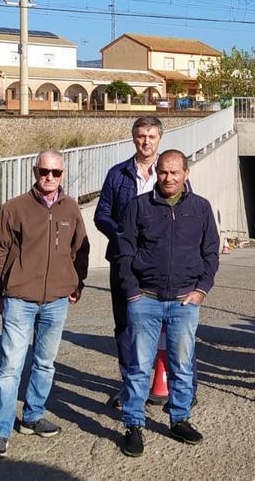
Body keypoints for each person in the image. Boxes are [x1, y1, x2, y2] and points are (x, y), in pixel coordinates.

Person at [0, 150, 89, 461]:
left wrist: (76, 284)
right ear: (34, 170)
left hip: (56, 300)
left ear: (63, 174)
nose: (49, 178)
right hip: (19, 298)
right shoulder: (14, 208)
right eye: (44, 171)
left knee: (45, 363)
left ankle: (33, 415)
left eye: (56, 172)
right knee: (10, 368)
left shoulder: (71, 209)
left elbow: (80, 250)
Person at [115, 149, 219, 457]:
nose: (168, 178)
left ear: (186, 173)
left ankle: (179, 419)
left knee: (182, 365)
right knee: (138, 367)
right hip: (144, 299)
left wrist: (201, 289)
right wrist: (132, 292)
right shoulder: (139, 207)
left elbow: (211, 252)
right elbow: (124, 252)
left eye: (175, 172)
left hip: (184, 301)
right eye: (162, 172)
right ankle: (134, 425)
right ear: (155, 173)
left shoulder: (201, 208)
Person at [94, 115, 163, 407]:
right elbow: (101, 215)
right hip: (124, 261)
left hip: (160, 263)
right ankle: (130, 386)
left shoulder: (170, 173)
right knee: (125, 326)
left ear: (160, 139)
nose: (145, 142)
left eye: (151, 136)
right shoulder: (117, 174)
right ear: (133, 138)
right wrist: (122, 237)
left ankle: (169, 384)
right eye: (140, 136)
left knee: (164, 324)